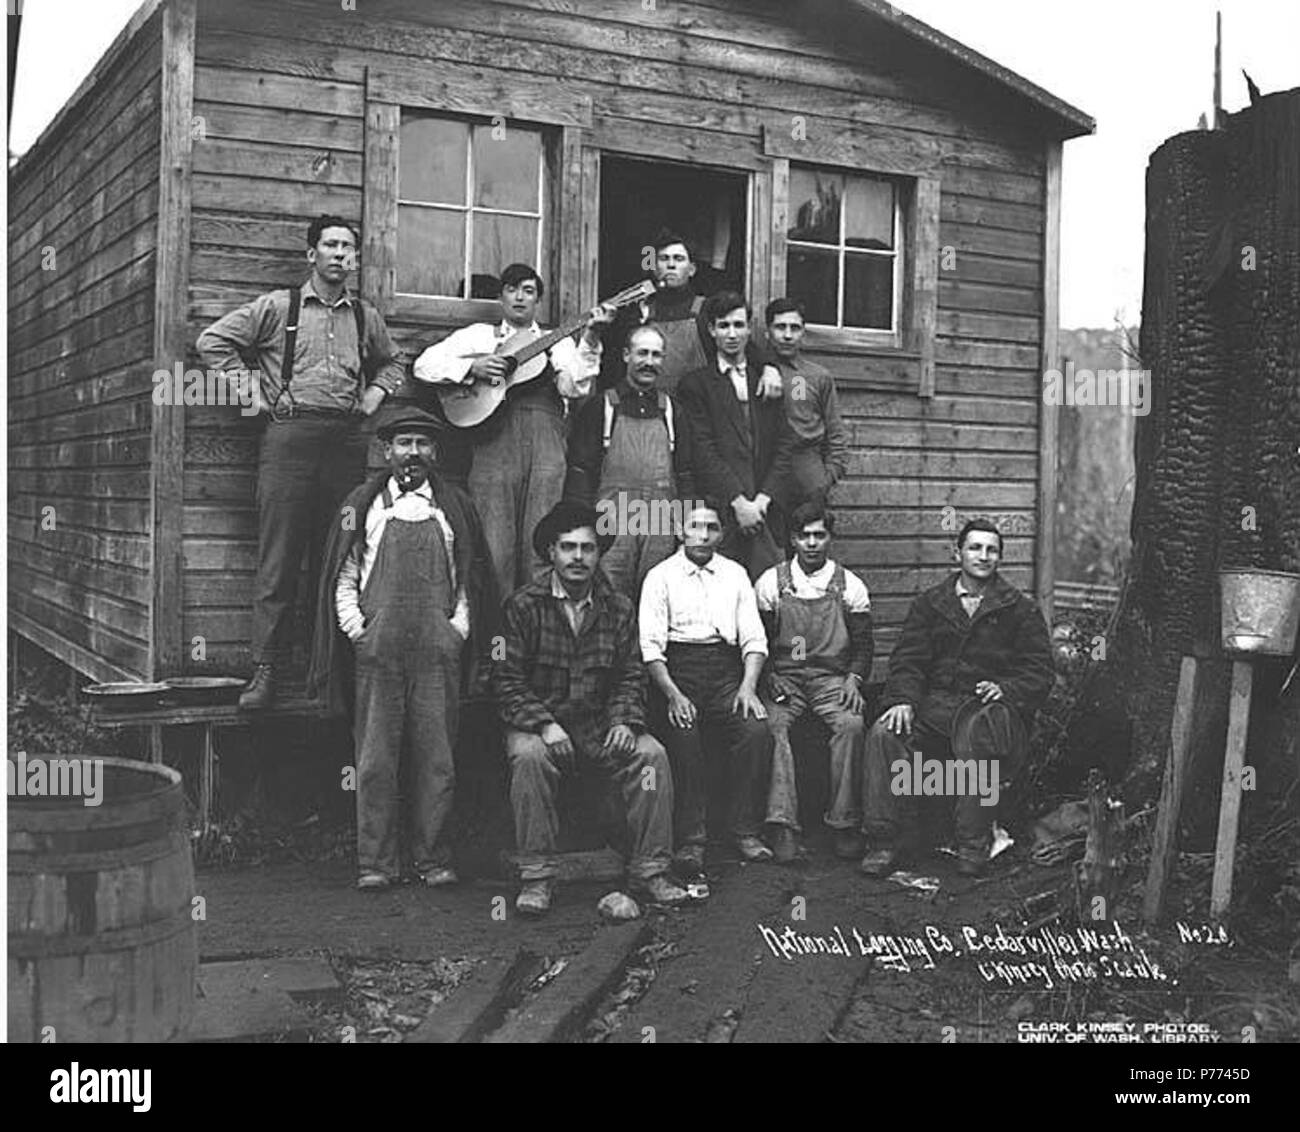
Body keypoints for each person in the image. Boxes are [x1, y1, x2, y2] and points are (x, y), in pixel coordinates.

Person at [196, 214, 405, 709]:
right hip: (289, 438)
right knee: (280, 557)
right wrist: (253, 393)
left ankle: (329, 672)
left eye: (347, 247)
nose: (339, 254)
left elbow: (394, 361)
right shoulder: (278, 308)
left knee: (340, 554)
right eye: (329, 245)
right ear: (311, 255)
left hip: (346, 441)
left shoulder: (364, 317)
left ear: (355, 258)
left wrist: (373, 397)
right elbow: (212, 342)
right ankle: (267, 671)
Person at [306, 405, 499, 890]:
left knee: (438, 759)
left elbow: (469, 578)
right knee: (374, 761)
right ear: (385, 451)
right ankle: (376, 863)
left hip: (438, 650)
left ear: (435, 452)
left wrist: (458, 629)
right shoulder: (361, 504)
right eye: (403, 444)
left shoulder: (454, 505)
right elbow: (343, 573)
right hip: (380, 650)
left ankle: (433, 858)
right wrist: (357, 630)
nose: (412, 454)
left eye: (422, 445)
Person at [494, 501, 690, 915]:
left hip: (598, 725)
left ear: (599, 554)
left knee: (651, 758)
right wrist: (544, 725)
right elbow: (504, 680)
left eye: (587, 548)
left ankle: (651, 868)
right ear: (552, 553)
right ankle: (537, 877)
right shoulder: (523, 606)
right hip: (539, 726)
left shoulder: (618, 608)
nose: (578, 557)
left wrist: (624, 720)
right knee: (528, 759)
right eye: (568, 547)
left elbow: (631, 674)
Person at [860, 519, 1053, 877]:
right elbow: (909, 660)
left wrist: (1006, 689)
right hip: (933, 706)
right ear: (958, 553)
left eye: (991, 550)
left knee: (979, 736)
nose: (983, 556)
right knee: (884, 733)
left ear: (1000, 558)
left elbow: (1040, 671)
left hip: (988, 711)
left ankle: (973, 842)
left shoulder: (1019, 609)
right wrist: (902, 699)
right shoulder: (931, 603)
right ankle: (882, 841)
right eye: (975, 548)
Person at [411, 264, 612, 601]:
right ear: (501, 295)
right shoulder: (478, 336)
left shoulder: (554, 341)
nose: (520, 297)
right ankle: (495, 640)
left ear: (538, 300)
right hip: (493, 442)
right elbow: (423, 365)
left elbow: (574, 387)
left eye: (529, 290)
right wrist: (470, 367)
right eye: (512, 289)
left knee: (542, 537)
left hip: (546, 446)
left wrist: (591, 337)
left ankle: (534, 627)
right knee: (493, 543)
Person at [640, 499, 776, 881]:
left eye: (711, 527)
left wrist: (748, 688)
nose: (703, 534)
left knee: (756, 731)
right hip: (676, 675)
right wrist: (673, 695)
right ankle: (691, 839)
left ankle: (745, 830)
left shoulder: (735, 575)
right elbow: (650, 647)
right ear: (680, 532)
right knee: (683, 736)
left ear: (721, 533)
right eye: (694, 526)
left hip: (726, 674)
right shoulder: (660, 576)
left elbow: (753, 639)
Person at [756, 502, 874, 863]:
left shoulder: (850, 585)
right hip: (784, 678)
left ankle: (844, 823)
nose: (811, 543)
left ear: (830, 539)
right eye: (803, 535)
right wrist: (768, 677)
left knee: (851, 725)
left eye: (819, 535)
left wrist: (854, 679)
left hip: (830, 678)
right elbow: (756, 642)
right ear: (792, 539)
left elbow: (864, 644)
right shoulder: (770, 583)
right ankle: (783, 826)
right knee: (772, 725)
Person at [564, 324, 694, 600]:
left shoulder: (672, 410)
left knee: (656, 595)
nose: (649, 362)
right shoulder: (602, 406)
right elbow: (581, 471)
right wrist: (581, 524)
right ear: (626, 355)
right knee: (609, 596)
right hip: (611, 517)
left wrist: (687, 522)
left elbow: (684, 473)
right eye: (642, 353)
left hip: (660, 519)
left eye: (656, 355)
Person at [676, 292, 795, 580]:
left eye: (739, 325)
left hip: (767, 512)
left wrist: (762, 501)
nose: (732, 334)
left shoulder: (768, 381)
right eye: (724, 325)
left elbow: (786, 444)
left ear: (749, 329)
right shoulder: (696, 385)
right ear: (711, 330)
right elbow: (703, 451)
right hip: (721, 511)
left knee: (769, 596)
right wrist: (738, 502)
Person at [600, 229, 783, 397]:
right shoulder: (641, 311)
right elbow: (619, 363)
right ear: (656, 269)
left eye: (679, 259)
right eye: (664, 259)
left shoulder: (707, 308)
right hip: (653, 407)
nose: (671, 265)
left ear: (692, 269)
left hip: (697, 408)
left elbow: (740, 341)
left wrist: (769, 367)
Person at [763, 298, 850, 511]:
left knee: (809, 539)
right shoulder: (755, 371)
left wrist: (824, 480)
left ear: (803, 333)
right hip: (765, 470)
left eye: (795, 328)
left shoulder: (816, 376)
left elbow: (836, 434)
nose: (787, 335)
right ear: (767, 332)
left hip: (807, 468)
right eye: (780, 327)